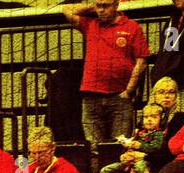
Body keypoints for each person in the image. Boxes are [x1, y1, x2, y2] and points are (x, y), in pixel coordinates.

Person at [63, 0, 150, 146]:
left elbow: (141, 62)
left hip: (119, 96)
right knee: (93, 148)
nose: (101, 10)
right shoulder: (91, 25)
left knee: (120, 145)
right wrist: (93, 6)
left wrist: (129, 91)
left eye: (106, 6)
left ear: (116, 5)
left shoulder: (132, 27)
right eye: (99, 6)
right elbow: (66, 10)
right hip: (91, 96)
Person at [97, 103, 165, 173]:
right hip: (130, 162)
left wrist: (140, 146)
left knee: (140, 167)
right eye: (146, 117)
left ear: (161, 119)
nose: (149, 119)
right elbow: (131, 146)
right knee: (106, 170)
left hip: (145, 161)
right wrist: (125, 151)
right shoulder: (139, 133)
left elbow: (156, 147)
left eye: (154, 117)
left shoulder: (158, 134)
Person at [143, 77, 184, 173]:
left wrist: (144, 157)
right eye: (161, 92)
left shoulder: (179, 118)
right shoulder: (147, 116)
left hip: (164, 164)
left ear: (176, 97)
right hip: (140, 160)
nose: (166, 96)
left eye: (171, 92)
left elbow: (170, 151)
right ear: (154, 96)